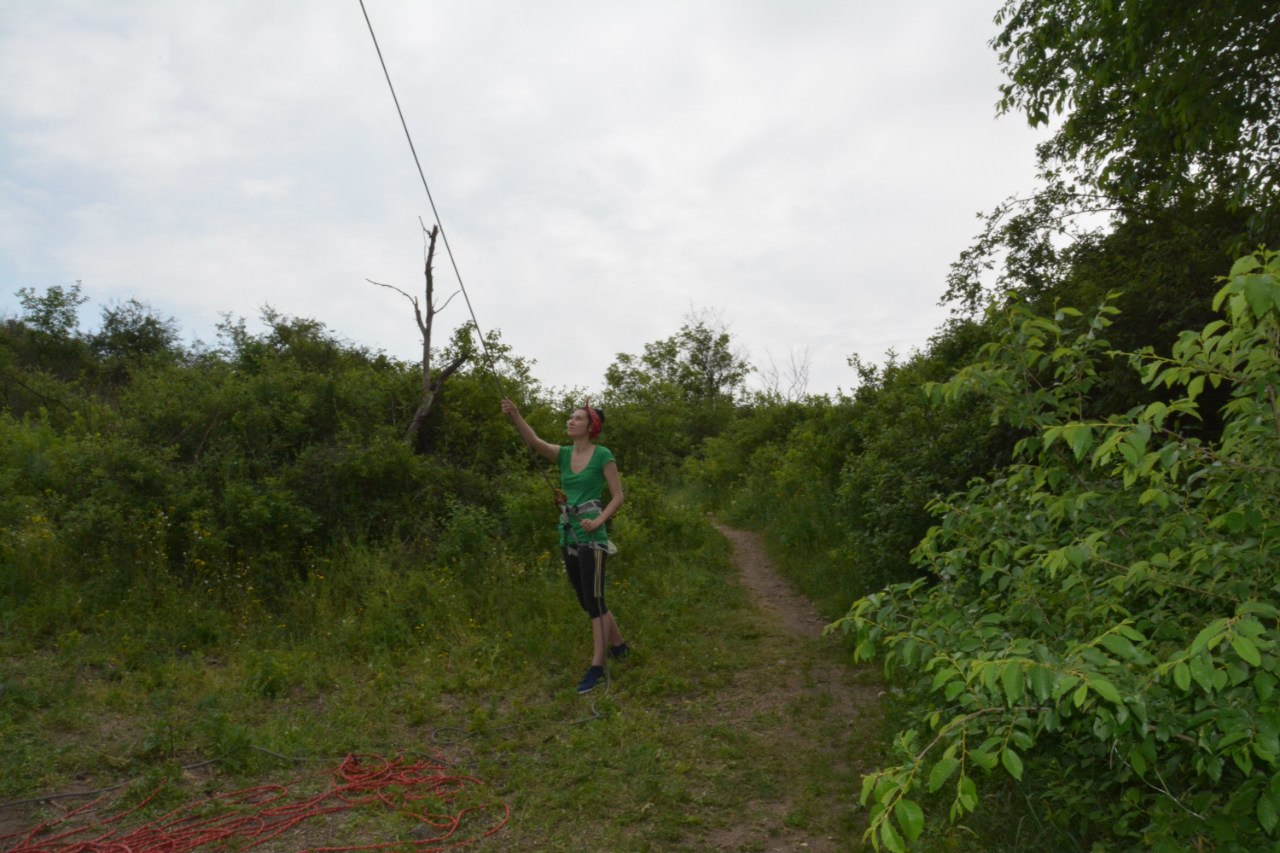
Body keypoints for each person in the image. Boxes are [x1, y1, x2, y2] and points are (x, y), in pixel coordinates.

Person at [501, 398, 628, 694]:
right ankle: (619, 646)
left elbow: (618, 496)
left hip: (593, 537)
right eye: (570, 417)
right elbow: (534, 441)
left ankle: (597, 666)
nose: (570, 421)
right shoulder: (564, 454)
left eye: (577, 418)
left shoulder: (603, 455)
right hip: (568, 534)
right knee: (587, 600)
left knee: (594, 600)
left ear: (590, 426)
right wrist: (516, 415)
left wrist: (599, 522)